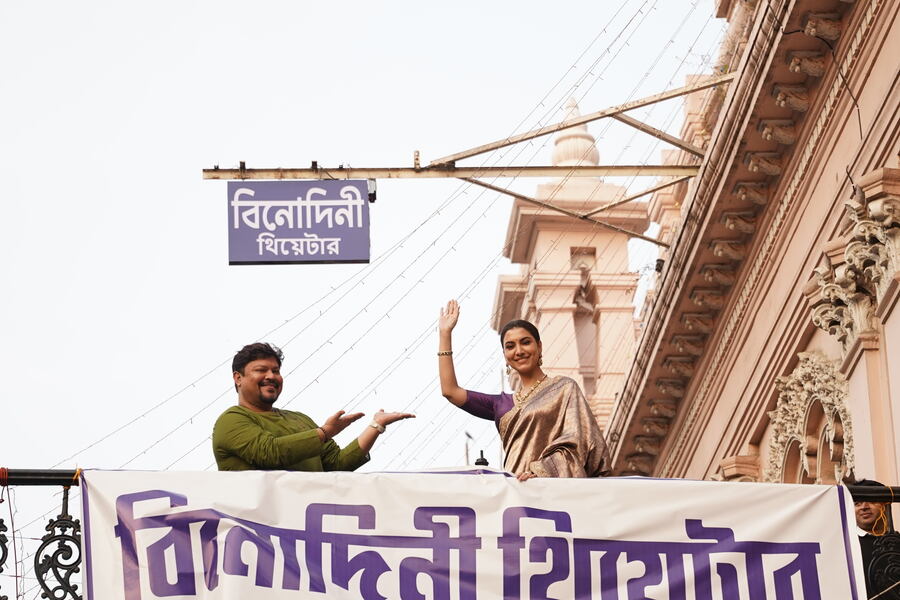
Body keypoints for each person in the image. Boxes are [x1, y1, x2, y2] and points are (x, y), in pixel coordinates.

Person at [437, 299, 610, 481]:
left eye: (525, 342)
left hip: (556, 489)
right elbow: (450, 391)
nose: (518, 351)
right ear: (505, 355)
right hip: (516, 494)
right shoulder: (500, 404)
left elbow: (580, 440)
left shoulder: (565, 388)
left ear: (539, 346)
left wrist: (543, 470)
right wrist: (444, 334)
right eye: (510, 346)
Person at [213, 342, 414, 471]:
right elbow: (270, 453)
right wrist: (324, 433)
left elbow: (337, 464)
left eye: (276, 370)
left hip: (304, 531)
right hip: (258, 533)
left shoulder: (300, 419)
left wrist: (375, 426)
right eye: (261, 370)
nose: (271, 376)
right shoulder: (231, 420)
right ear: (238, 378)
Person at [852, 478, 893, 596]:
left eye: (871, 501)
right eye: (857, 504)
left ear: (885, 505)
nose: (864, 507)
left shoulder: (896, 541)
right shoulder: (846, 545)